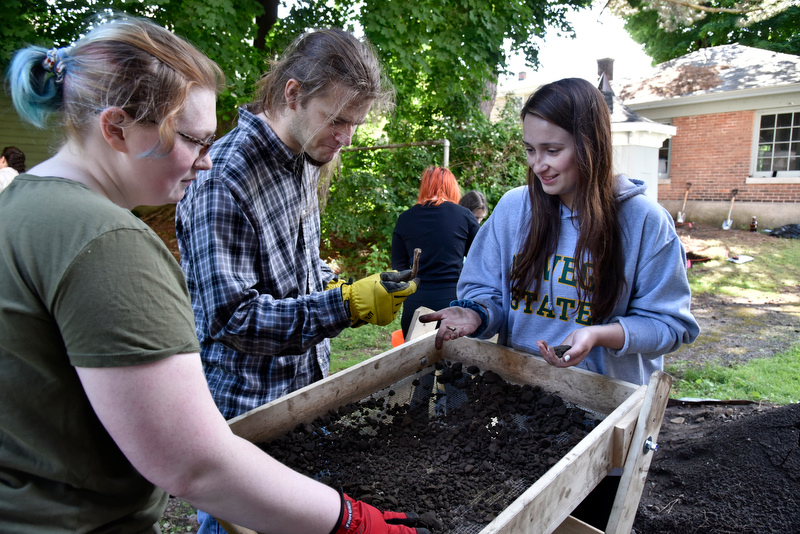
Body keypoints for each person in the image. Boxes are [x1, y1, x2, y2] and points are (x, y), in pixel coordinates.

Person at [0, 16, 427, 534]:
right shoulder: (113, 239)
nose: (204, 162)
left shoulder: (21, 206)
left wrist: (336, 287)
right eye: (194, 141)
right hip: (231, 426)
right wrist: (355, 523)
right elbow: (196, 459)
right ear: (114, 128)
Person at [420, 77, 700, 529]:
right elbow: (485, 290)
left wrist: (599, 334)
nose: (539, 166)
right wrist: (475, 313)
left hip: (602, 425)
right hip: (517, 418)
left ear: (591, 145)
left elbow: (671, 325)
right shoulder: (514, 210)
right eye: (531, 151)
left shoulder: (645, 222)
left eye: (553, 150)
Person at [174, 28, 419, 533]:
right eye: (337, 120)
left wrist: (337, 287)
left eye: (356, 123)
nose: (347, 138)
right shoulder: (222, 179)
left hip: (307, 404)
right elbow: (235, 320)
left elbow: (289, 282)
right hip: (248, 426)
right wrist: (346, 306)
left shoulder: (305, 159)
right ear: (292, 94)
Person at [391, 166, 479, 337]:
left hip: (416, 305)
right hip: (454, 305)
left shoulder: (405, 218)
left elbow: (399, 267)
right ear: (453, 188)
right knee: (457, 362)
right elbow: (481, 259)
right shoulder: (464, 216)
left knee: (417, 361)